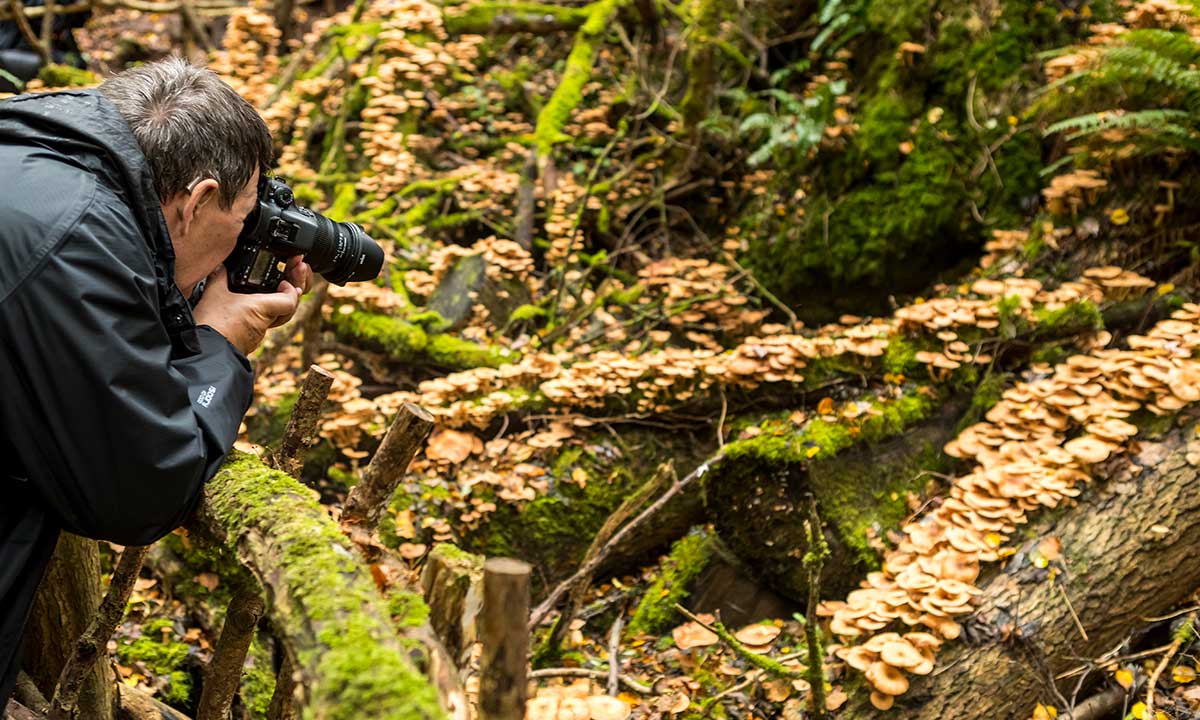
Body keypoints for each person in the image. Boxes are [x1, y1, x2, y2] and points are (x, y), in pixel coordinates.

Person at [0, 58, 311, 706]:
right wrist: (221, 339)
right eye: (242, 218)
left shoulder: (34, 159)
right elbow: (141, 486)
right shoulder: (75, 245)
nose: (242, 240)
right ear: (197, 201)